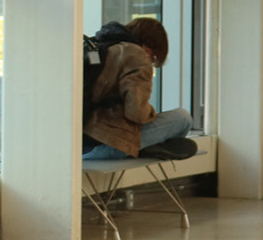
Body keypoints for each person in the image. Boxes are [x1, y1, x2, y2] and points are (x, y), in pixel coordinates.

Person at [82, 17, 195, 161]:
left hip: (79, 146)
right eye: (154, 58)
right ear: (149, 48)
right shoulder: (136, 55)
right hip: (108, 145)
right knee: (183, 118)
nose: (151, 61)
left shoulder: (99, 48)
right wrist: (151, 112)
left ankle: (148, 148)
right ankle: (149, 148)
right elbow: (137, 114)